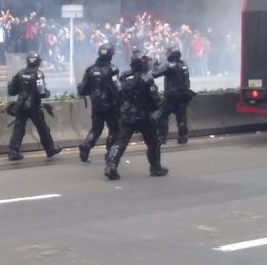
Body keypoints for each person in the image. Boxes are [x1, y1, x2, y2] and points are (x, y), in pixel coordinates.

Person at [104, 51, 168, 180]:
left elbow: (118, 96)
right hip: (143, 117)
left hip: (126, 116)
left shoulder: (124, 76)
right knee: (153, 143)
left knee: (120, 142)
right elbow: (155, 100)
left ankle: (111, 165)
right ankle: (155, 168)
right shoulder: (146, 79)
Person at [5, 52, 61, 161]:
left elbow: (12, 91)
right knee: (43, 129)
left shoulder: (20, 74)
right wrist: (48, 93)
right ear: (38, 62)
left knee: (19, 129)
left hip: (20, 106)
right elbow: (42, 92)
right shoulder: (38, 74)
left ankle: (13, 152)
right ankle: (50, 149)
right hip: (34, 106)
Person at [77, 43, 119, 162]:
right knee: (114, 130)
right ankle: (110, 154)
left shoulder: (90, 70)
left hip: (96, 104)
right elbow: (118, 88)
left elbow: (83, 89)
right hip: (110, 105)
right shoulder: (113, 69)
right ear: (111, 55)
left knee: (96, 129)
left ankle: (86, 146)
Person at [153, 46, 194, 145]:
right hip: (183, 94)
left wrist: (154, 65)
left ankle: (162, 137)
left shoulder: (170, 65)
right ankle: (183, 137)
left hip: (171, 96)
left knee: (162, 116)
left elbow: (155, 73)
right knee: (181, 117)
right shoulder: (183, 64)